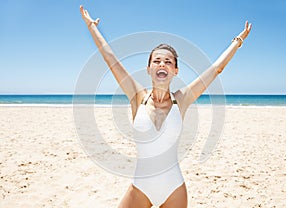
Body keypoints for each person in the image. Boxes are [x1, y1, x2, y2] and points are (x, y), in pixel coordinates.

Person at [80, 5, 251, 208]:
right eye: (157, 61)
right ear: (149, 68)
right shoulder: (137, 97)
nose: (162, 64)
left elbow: (216, 69)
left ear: (175, 71)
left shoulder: (182, 99)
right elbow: (110, 59)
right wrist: (91, 26)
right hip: (140, 188)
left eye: (168, 62)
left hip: (174, 190)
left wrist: (237, 42)